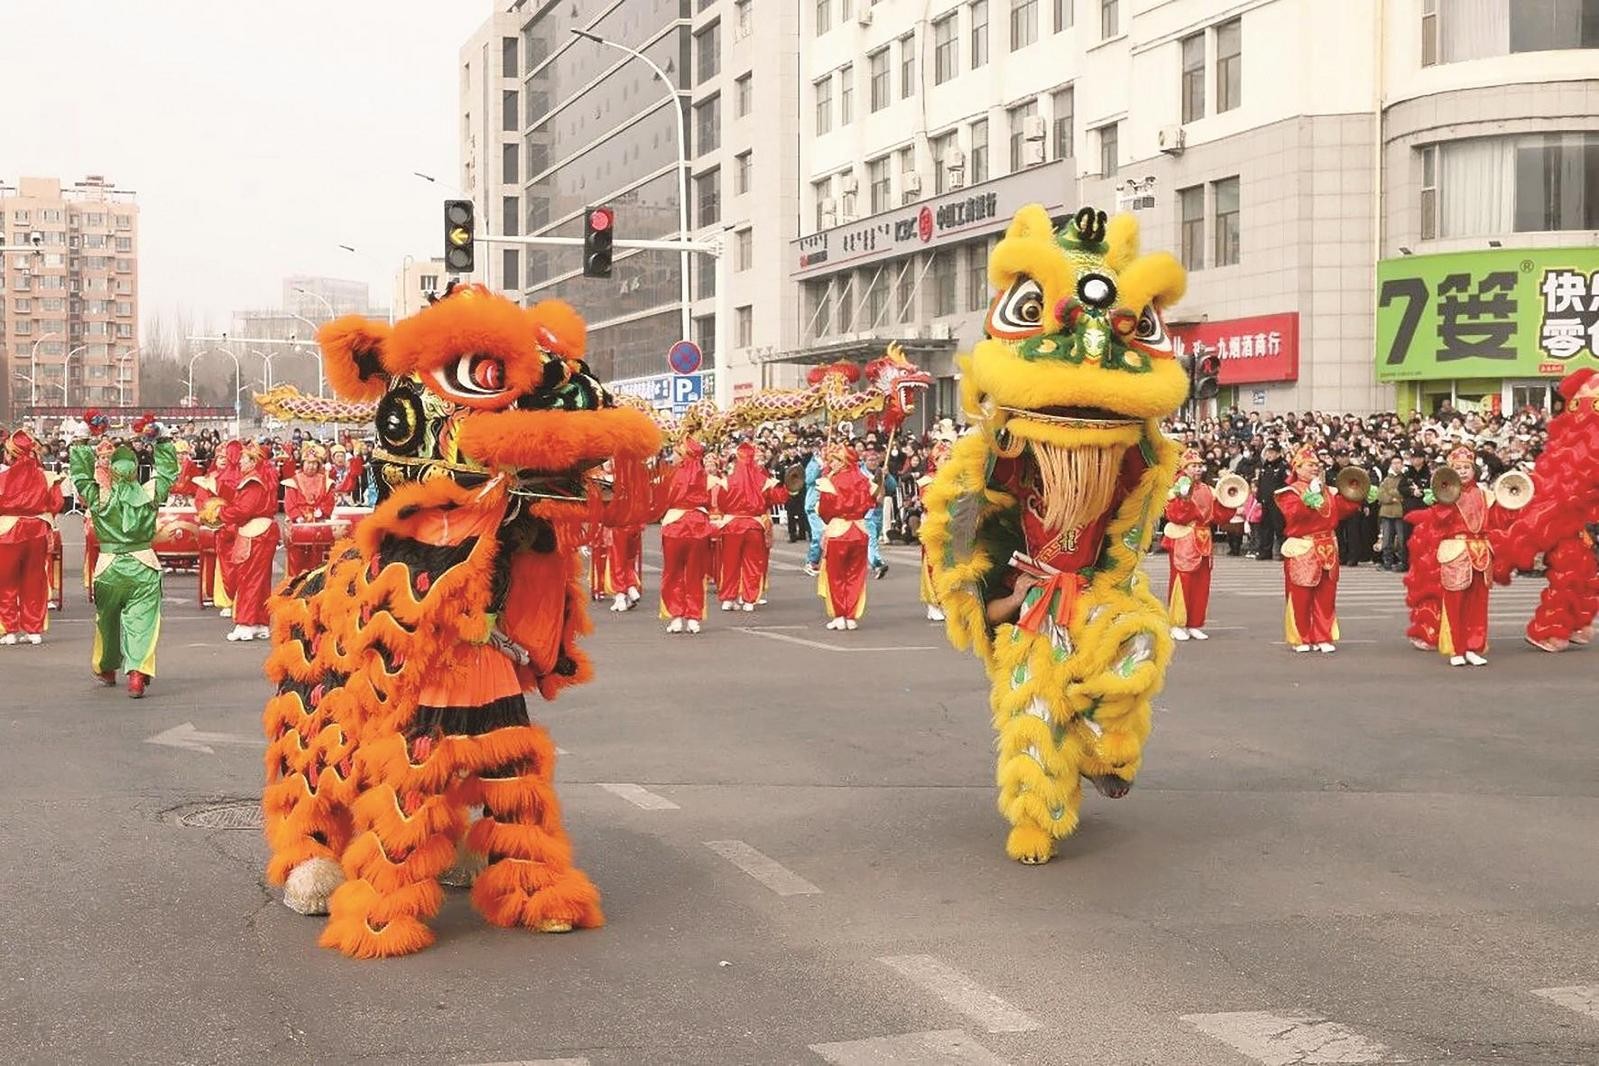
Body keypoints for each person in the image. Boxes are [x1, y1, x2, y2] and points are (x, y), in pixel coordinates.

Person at [70, 431, 178, 697]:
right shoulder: (148, 494)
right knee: (142, 622)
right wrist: (162, 444)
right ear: (134, 473)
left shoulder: (100, 497)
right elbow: (166, 475)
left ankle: (107, 668)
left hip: (108, 568)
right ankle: (137, 675)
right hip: (144, 566)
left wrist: (82, 447)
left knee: (106, 621)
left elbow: (81, 478)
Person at [1276, 444, 1366, 653]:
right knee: (1301, 594)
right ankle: (1302, 637)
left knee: (1326, 594)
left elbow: (1340, 511)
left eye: (1317, 464)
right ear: (1297, 468)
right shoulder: (1289, 492)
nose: (1315, 468)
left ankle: (1323, 636)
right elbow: (1293, 516)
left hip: (1327, 546)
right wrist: (1307, 500)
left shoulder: (1328, 490)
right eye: (1310, 465)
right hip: (1304, 546)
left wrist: (1357, 495)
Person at [1430, 445, 1506, 667]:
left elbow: (1499, 521)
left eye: (1466, 467)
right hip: (1456, 550)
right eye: (1458, 468)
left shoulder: (1487, 495)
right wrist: (1442, 498)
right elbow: (1439, 521)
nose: (1463, 471)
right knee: (1455, 602)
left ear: (1474, 470)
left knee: (1478, 603)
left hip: (1481, 550)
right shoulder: (1445, 495)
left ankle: (1474, 646)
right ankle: (1457, 648)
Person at [1162, 449, 1237, 641]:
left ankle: (1195, 623)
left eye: (1199, 466)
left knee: (1201, 583)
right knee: (1182, 581)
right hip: (1185, 537)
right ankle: (1177, 623)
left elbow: (1219, 515)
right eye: (1193, 466)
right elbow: (1175, 515)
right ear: (1184, 468)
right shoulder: (1176, 488)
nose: (1197, 469)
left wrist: (1229, 499)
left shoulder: (1206, 489)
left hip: (1203, 537)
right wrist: (1184, 499)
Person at [210, 442, 279, 642]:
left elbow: (243, 510)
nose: (239, 462)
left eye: (243, 459)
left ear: (252, 462)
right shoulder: (258, 479)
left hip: (256, 532)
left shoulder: (254, 482)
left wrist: (220, 513)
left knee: (249, 578)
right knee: (259, 579)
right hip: (261, 530)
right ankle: (259, 622)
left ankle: (246, 623)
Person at [0, 430, 63, 646]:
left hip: (7, 531)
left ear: (10, 454)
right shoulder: (45, 477)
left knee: (5, 582)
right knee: (34, 579)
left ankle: (9, 629)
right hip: (37, 530)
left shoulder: (3, 479)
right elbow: (56, 503)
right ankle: (33, 628)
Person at [716, 440, 789, 612]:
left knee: (729, 563)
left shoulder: (728, 481)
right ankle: (749, 599)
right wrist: (789, 488)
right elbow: (777, 498)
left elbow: (721, 503)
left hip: (732, 525)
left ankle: (729, 597)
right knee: (753, 563)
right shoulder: (763, 480)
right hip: (754, 525)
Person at [816, 444, 875, 630]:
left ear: (842, 462)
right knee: (855, 575)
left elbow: (825, 511)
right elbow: (871, 503)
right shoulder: (865, 480)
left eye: (834, 460)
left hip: (838, 530)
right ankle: (851, 616)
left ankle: (840, 615)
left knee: (836, 575)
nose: (831, 463)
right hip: (860, 530)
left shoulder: (830, 481)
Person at [658, 438, 713, 634]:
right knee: (695, 573)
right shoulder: (704, 475)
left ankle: (676, 616)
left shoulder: (673, 475)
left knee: (673, 572)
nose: (672, 457)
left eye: (676, 453)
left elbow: (663, 499)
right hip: (698, 525)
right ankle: (693, 617)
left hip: (675, 526)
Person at [282, 441, 336, 577]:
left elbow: (329, 501)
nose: (311, 466)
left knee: (318, 559)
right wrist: (297, 517)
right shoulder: (293, 481)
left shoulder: (326, 481)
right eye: (308, 463)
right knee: (296, 559)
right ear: (303, 463)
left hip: (318, 524)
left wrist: (322, 512)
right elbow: (290, 503)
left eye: (314, 463)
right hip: (299, 524)